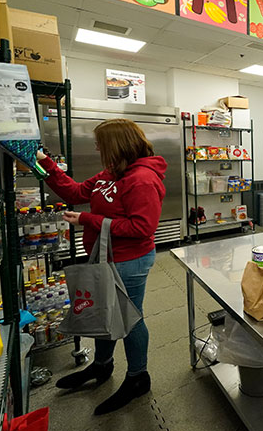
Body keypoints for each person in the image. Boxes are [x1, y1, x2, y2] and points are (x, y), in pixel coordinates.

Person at [37, 118, 166, 415]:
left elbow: (141, 228)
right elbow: (75, 192)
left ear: (115, 145)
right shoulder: (110, 174)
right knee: (104, 313)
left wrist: (87, 220)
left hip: (129, 261)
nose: (96, 148)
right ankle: (102, 366)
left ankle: (138, 378)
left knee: (130, 318)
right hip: (105, 257)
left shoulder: (142, 179)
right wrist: (47, 165)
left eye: (100, 143)